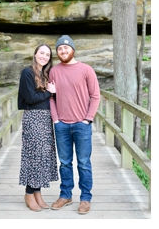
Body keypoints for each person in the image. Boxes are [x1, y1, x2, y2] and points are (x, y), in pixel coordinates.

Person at [49, 35, 100, 215]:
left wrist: (88, 118)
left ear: (73, 49)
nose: (63, 51)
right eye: (60, 49)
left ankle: (85, 198)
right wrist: (55, 119)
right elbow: (51, 97)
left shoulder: (86, 70)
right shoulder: (54, 71)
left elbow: (95, 96)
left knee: (84, 163)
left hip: (82, 124)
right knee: (64, 163)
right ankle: (65, 195)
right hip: (61, 124)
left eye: (66, 48)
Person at [17, 44, 58, 211]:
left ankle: (37, 192)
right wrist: (50, 92)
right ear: (35, 54)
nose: (44, 56)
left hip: (45, 119)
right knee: (33, 155)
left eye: (47, 54)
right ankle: (28, 193)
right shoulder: (27, 72)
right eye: (41, 53)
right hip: (33, 117)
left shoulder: (44, 74)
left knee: (43, 156)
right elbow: (30, 97)